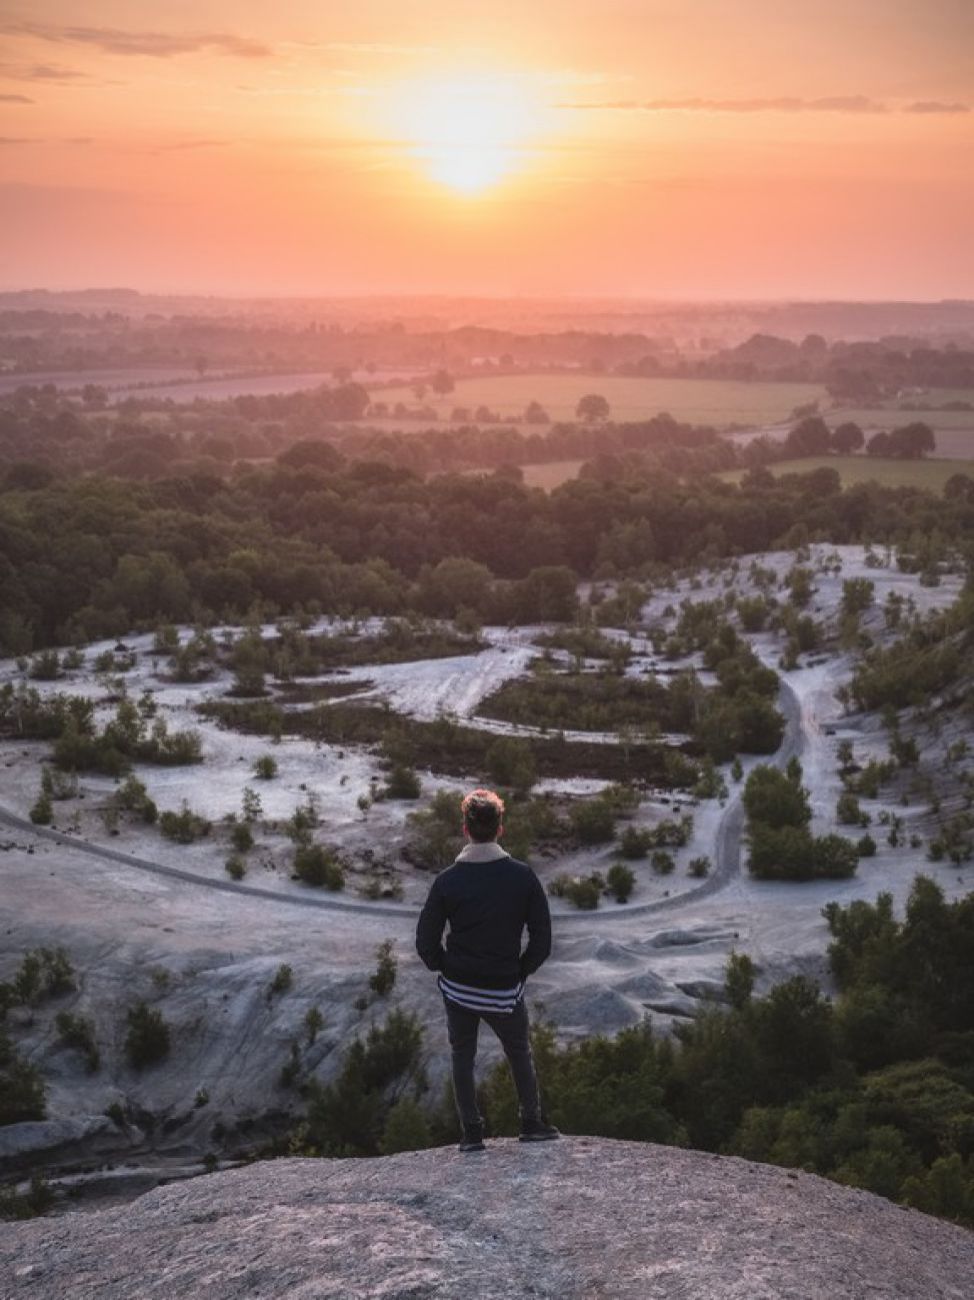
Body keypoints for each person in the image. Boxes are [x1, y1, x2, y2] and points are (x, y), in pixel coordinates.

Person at [415, 787, 559, 1152]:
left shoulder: (448, 880)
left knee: (463, 1056)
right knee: (519, 1052)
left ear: (465, 828)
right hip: (504, 989)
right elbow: (542, 938)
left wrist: (447, 969)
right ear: (500, 829)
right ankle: (530, 1123)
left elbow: (425, 942)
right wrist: (518, 972)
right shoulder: (522, 877)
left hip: (459, 989)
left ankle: (472, 1133)